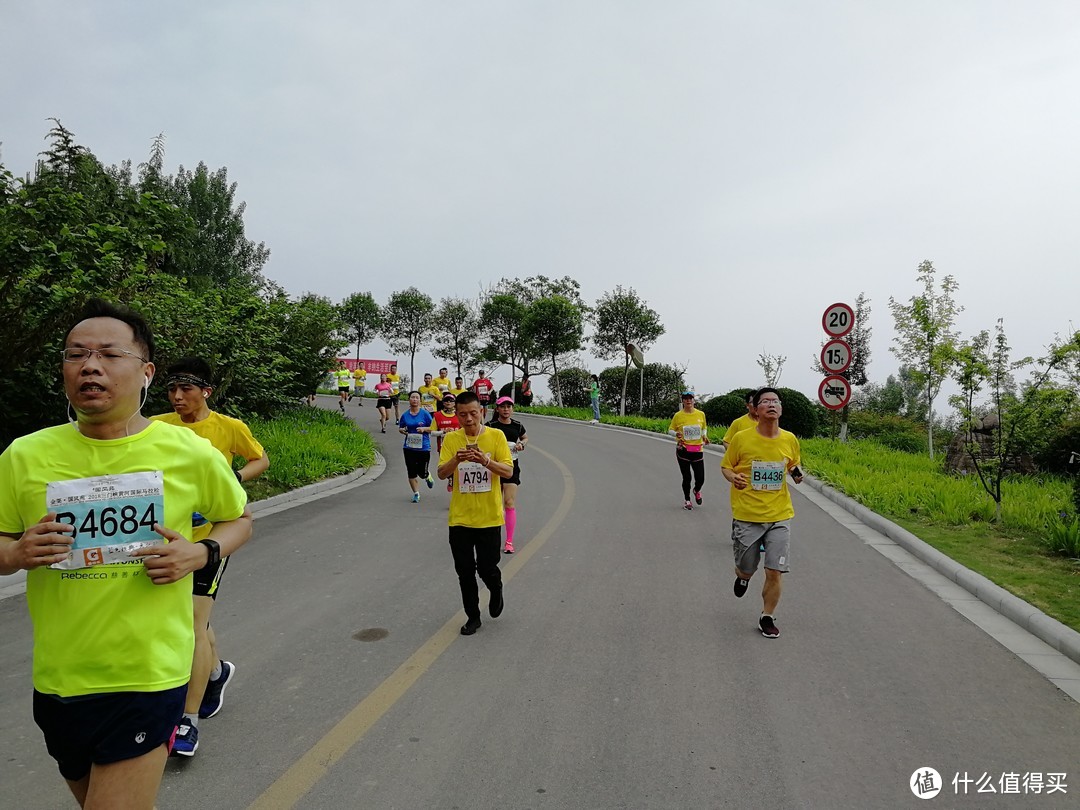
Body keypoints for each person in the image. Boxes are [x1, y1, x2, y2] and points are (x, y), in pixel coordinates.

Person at [0, 299, 251, 809]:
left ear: (146, 373)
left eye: (109, 354)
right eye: (76, 355)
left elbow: (240, 519)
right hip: (59, 678)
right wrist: (18, 553)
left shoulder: (189, 451)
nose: (90, 365)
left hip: (149, 673)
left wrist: (200, 553)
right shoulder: (24, 456)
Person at [150, 357, 269, 756]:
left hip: (214, 537)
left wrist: (231, 479)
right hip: (172, 538)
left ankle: (187, 720)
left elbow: (260, 459)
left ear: (206, 391)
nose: (178, 396)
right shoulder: (159, 426)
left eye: (186, 388)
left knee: (194, 623)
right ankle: (216, 673)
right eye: (172, 389)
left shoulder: (229, 427)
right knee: (192, 618)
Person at [720, 387, 803, 639]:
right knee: (747, 567)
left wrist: (796, 473)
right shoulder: (742, 438)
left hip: (779, 514)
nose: (771, 404)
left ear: (781, 408)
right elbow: (726, 467)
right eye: (765, 401)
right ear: (755, 409)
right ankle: (743, 577)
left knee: (774, 570)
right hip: (747, 514)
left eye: (775, 401)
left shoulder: (789, 438)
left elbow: (792, 462)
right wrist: (734, 477)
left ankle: (767, 616)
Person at [437, 392, 514, 635]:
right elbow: (441, 473)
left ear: (481, 412)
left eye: (473, 413)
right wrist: (456, 461)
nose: (468, 419)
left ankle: (496, 587)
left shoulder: (496, 436)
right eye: (462, 415)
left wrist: (485, 461)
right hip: (460, 518)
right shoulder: (452, 439)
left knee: (487, 568)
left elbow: (508, 472)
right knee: (465, 572)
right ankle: (473, 616)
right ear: (456, 415)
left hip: (489, 517)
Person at [487, 396, 528, 554]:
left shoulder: (517, 426)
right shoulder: (491, 426)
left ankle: (509, 541)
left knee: (509, 503)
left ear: (512, 409)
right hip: (494, 468)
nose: (506, 409)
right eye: (502, 406)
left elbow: (525, 437)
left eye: (509, 406)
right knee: (495, 503)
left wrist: (521, 444)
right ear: (497, 409)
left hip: (512, 467)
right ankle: (492, 537)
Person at [669, 391, 709, 510]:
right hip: (683, 450)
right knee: (687, 477)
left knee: (700, 478)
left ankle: (696, 490)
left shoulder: (701, 414)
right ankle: (687, 500)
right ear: (683, 401)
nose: (688, 401)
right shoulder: (678, 415)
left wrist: (704, 436)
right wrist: (676, 433)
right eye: (686, 399)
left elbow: (704, 428)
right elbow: (670, 430)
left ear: (694, 400)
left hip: (697, 450)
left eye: (690, 398)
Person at [399, 391, 435, 502]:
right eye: (412, 397)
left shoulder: (425, 414)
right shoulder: (405, 415)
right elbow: (401, 428)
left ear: (420, 400)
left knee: (422, 472)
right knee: (411, 471)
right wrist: (402, 431)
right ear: (409, 399)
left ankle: (427, 475)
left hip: (423, 447)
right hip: (409, 447)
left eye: (417, 398)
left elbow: (433, 428)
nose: (414, 399)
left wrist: (424, 429)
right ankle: (416, 493)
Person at [432, 393, 461, 492]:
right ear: (443, 402)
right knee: (447, 467)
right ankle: (451, 478)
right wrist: (443, 432)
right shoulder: (437, 415)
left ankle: (454, 482)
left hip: (458, 445)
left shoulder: (460, 415)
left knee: (459, 467)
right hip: (443, 446)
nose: (448, 402)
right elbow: (432, 432)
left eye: (451, 401)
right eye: (446, 400)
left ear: (455, 403)